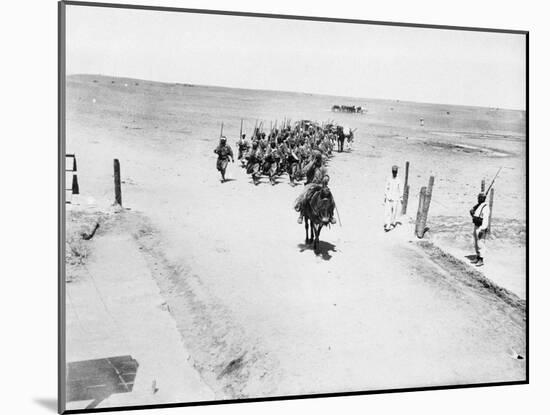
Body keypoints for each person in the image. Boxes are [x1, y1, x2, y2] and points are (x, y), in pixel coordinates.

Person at [295, 152, 336, 224]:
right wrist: (312, 163)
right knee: (304, 196)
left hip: (320, 185)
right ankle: (301, 215)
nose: (318, 160)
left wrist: (326, 178)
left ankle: (331, 215)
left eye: (319, 159)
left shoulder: (323, 167)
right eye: (317, 158)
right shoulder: (310, 166)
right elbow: (304, 171)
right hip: (310, 184)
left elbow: (326, 174)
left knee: (330, 197)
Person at [470, 192, 490, 266]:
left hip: (481, 227)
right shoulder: (479, 206)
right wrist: (472, 213)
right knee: (476, 242)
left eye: (480, 198)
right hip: (476, 225)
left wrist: (482, 229)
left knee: (480, 243)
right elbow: (474, 214)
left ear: (483, 198)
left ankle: (481, 260)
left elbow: (485, 219)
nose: (478, 199)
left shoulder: (486, 207)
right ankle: (477, 257)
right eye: (478, 198)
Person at [384, 165, 402, 231]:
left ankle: (392, 223)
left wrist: (401, 197)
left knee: (394, 211)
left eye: (395, 172)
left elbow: (400, 189)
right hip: (389, 197)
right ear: (392, 172)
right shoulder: (389, 178)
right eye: (393, 172)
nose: (394, 173)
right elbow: (386, 187)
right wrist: (385, 195)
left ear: (397, 172)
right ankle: (387, 225)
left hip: (395, 198)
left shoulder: (399, 180)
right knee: (388, 211)